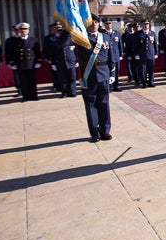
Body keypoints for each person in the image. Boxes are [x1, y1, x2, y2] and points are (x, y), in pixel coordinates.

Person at [76, 14, 116, 143]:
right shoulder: (81, 39)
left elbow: (111, 57)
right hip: (89, 76)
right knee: (91, 105)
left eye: (96, 22)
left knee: (104, 104)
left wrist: (112, 74)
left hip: (104, 75)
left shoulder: (104, 37)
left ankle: (105, 131)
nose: (94, 24)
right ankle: (95, 133)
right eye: (92, 22)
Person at [5, 23, 42, 101]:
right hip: (20, 64)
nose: (23, 31)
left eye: (25, 29)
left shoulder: (33, 40)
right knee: (23, 81)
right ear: (19, 31)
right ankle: (26, 97)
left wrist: (39, 61)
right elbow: (11, 53)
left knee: (32, 81)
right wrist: (12, 63)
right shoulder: (15, 41)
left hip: (31, 64)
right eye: (21, 30)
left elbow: (37, 51)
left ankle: (34, 96)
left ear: (28, 30)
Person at [52, 24, 78, 97]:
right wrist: (53, 63)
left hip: (71, 61)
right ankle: (64, 92)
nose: (61, 32)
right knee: (63, 78)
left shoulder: (71, 39)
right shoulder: (55, 41)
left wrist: (77, 61)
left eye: (62, 31)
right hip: (60, 62)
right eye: (59, 31)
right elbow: (53, 53)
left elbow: (75, 50)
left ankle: (72, 92)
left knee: (72, 77)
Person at [135, 20, 158, 87]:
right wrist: (136, 54)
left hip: (151, 54)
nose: (146, 25)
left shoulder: (152, 33)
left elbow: (155, 44)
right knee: (143, 70)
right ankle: (144, 82)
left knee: (151, 69)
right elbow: (135, 45)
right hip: (142, 55)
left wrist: (156, 53)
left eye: (147, 24)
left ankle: (151, 82)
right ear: (142, 25)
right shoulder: (138, 34)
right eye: (144, 24)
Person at [103, 19, 123, 91]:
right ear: (104, 25)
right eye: (107, 24)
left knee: (116, 72)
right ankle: (109, 87)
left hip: (116, 55)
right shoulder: (102, 34)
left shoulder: (117, 33)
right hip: (107, 57)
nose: (108, 25)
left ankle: (116, 85)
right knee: (108, 71)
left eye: (110, 24)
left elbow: (120, 45)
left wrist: (121, 54)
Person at [43, 22, 62, 93]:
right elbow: (46, 49)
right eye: (56, 27)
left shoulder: (65, 36)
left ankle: (63, 87)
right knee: (55, 74)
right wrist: (48, 58)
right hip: (53, 58)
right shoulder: (48, 38)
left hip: (63, 59)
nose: (58, 29)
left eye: (59, 27)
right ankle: (56, 87)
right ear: (52, 29)